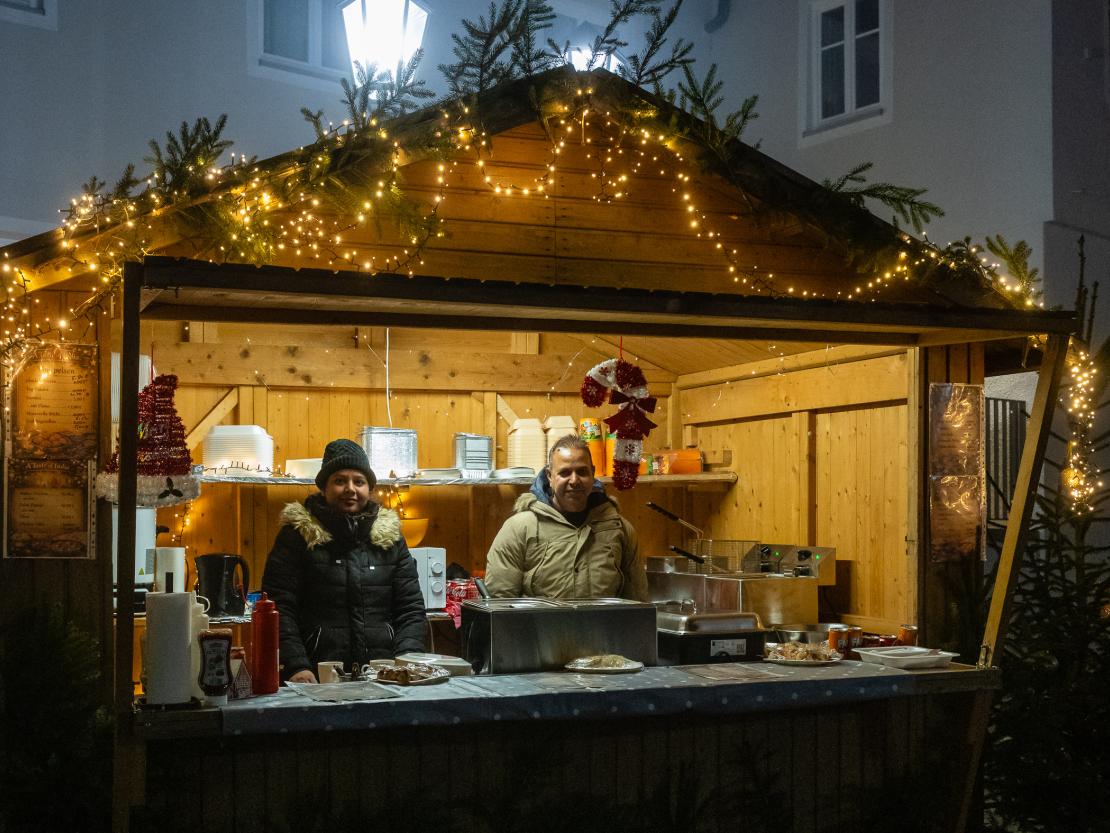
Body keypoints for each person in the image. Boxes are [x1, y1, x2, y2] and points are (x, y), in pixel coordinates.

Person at [261, 438, 427, 682]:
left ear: (369, 489)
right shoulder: (298, 536)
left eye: (359, 481)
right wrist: (297, 665)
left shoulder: (390, 539)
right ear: (324, 488)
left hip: (386, 677)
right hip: (317, 676)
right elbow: (280, 608)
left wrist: (407, 661)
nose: (350, 488)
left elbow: (410, 609)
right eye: (340, 481)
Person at [485, 434, 647, 600]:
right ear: (550, 476)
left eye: (582, 472)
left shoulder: (619, 529)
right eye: (565, 473)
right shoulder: (520, 529)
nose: (574, 480)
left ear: (593, 473)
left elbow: (636, 599)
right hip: (537, 627)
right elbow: (500, 603)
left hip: (604, 627)